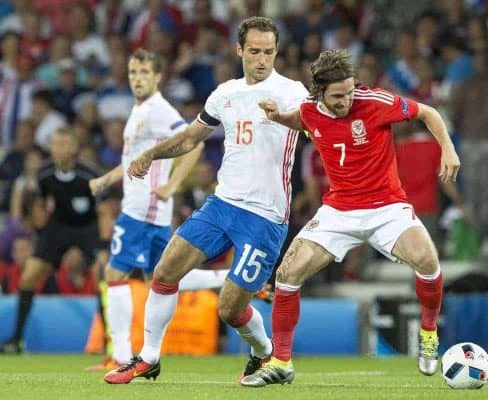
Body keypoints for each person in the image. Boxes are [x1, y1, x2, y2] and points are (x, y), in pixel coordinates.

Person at [103, 16, 308, 384]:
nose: (262, 59)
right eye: (255, 51)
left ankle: (263, 353)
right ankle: (148, 358)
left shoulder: (292, 92)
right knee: (165, 271)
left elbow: (314, 125)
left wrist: (289, 118)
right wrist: (152, 155)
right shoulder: (225, 93)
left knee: (230, 309)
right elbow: (190, 138)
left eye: (269, 52)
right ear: (239, 50)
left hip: (265, 216)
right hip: (222, 204)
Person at [241, 49, 460, 387]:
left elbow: (428, 112)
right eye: (338, 96)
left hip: (387, 207)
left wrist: (448, 148)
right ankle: (282, 361)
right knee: (288, 272)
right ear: (319, 94)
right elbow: (303, 120)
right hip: (339, 210)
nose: (346, 100)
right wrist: (277, 116)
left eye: (349, 91)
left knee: (428, 261)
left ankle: (429, 332)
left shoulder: (373, 101)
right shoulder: (310, 110)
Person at [85, 49, 228, 371]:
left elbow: (197, 143)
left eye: (144, 73)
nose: (137, 79)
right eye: (134, 73)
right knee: (162, 279)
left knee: (114, 274)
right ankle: (227, 277)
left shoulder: (159, 110)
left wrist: (172, 185)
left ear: (158, 77)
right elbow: (133, 160)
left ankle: (120, 355)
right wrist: (107, 179)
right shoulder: (140, 111)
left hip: (142, 209)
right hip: (152, 212)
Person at [0, 127, 101, 353]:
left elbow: (102, 209)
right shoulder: (44, 174)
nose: (58, 148)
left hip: (88, 228)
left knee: (102, 278)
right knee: (28, 278)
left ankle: (107, 339)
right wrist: (41, 228)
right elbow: (40, 202)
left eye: (64, 143)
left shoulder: (90, 174)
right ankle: (16, 340)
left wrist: (102, 244)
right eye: (55, 143)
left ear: (75, 148)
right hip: (58, 227)